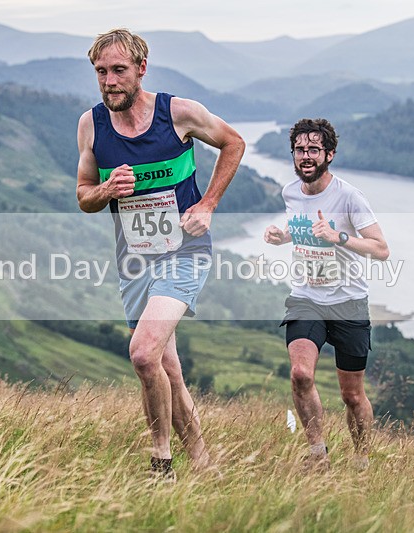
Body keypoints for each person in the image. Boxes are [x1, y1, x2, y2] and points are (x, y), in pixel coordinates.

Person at [76, 28, 244, 478]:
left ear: (141, 69)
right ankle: (205, 464)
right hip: (134, 262)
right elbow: (83, 195)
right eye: (100, 72)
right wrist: (106, 188)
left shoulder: (179, 113)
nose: (108, 81)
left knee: (144, 353)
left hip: (185, 252)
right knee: (167, 367)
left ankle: (161, 461)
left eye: (118, 70)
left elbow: (234, 143)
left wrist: (207, 204)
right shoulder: (91, 124)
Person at [264, 118, 389, 471]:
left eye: (313, 150)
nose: (306, 156)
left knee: (352, 395)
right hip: (306, 298)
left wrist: (340, 238)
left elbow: (381, 249)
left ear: (329, 154)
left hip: (348, 302)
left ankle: (362, 458)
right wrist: (282, 236)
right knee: (301, 375)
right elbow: (302, 227)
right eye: (300, 150)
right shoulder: (290, 192)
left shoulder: (349, 197)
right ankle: (318, 454)